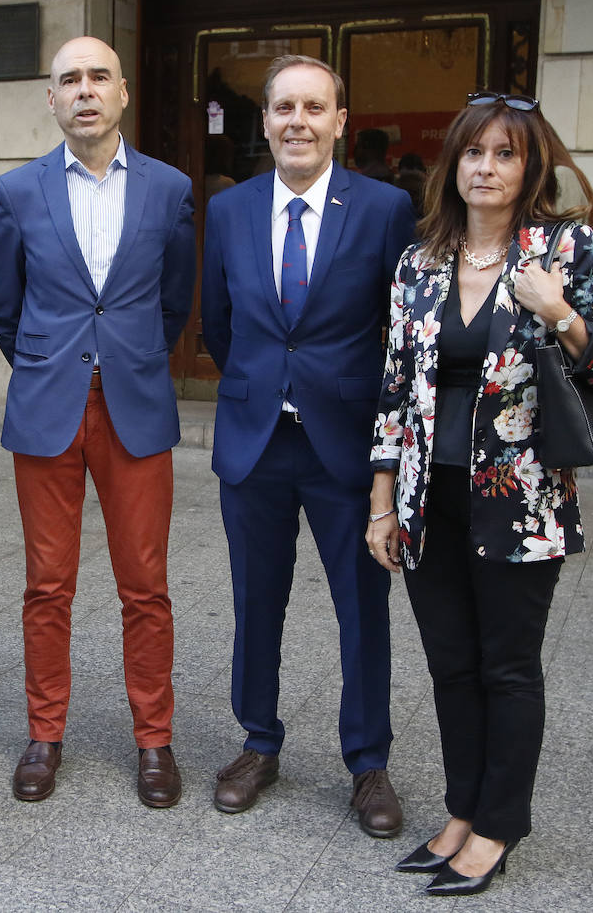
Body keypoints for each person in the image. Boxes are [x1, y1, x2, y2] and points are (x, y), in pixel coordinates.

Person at [367, 93, 593, 896]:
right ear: (453, 165)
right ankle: (461, 810)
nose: (486, 168)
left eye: (505, 154)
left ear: (532, 167)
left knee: (508, 667)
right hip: (426, 496)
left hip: (519, 498)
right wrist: (381, 502)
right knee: (451, 664)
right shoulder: (420, 261)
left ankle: (497, 825)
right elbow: (392, 390)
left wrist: (559, 313)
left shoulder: (564, 247)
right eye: (473, 153)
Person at [200, 55, 415, 834]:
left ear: (340, 121)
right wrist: (266, 386)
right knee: (257, 602)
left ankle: (368, 763)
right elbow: (218, 323)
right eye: (284, 107)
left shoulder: (387, 209)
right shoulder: (228, 210)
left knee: (363, 607)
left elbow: (403, 332)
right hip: (255, 442)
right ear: (264, 121)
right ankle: (258, 742)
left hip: (347, 448)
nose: (298, 121)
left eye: (314, 107)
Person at [0, 36, 195, 808]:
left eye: (97, 77)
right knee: (48, 585)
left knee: (146, 587)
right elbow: (3, 306)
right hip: (48, 409)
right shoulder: (18, 189)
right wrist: (50, 362)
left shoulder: (170, 190)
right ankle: (44, 733)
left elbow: (175, 301)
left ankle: (154, 740)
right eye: (68, 79)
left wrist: (128, 356)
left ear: (123, 92)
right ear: (51, 99)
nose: (84, 90)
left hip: (134, 408)